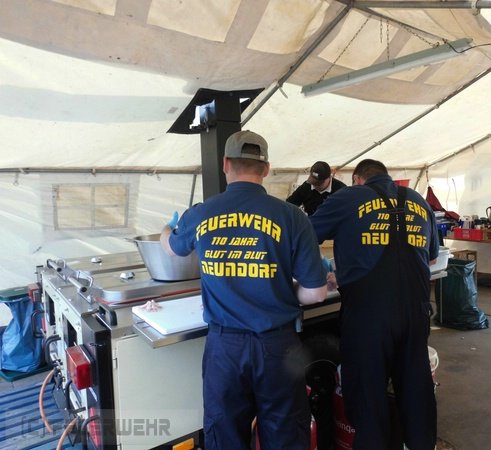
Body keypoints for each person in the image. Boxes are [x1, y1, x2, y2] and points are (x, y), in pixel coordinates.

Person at [160, 130, 328, 450]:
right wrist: (280, 292)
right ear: (266, 169)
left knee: (225, 436)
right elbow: (317, 293)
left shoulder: (201, 213)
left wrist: (168, 228)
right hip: (278, 348)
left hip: (225, 348)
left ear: (225, 164)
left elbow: (171, 248)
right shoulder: (292, 217)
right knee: (285, 435)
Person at [309, 159, 439, 450]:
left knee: (367, 397)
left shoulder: (348, 197)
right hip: (416, 313)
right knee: (416, 393)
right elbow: (431, 257)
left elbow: (305, 235)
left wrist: (334, 274)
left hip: (369, 316)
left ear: (357, 179)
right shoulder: (418, 201)